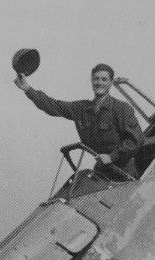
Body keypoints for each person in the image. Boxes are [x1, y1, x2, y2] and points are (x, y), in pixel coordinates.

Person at [15, 63, 143, 178]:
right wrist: (27, 89)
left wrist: (111, 157)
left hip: (124, 174)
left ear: (111, 83)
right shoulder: (81, 108)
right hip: (101, 173)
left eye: (104, 79)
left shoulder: (121, 108)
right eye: (96, 79)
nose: (99, 83)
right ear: (91, 81)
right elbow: (53, 106)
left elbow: (137, 139)